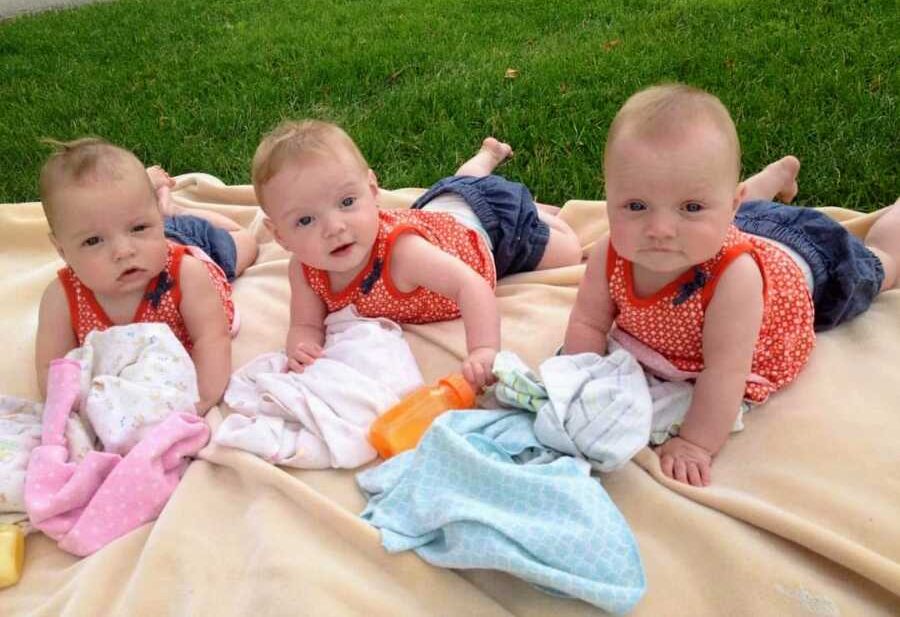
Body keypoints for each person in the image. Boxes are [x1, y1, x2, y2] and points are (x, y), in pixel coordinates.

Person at [563, 83, 900, 487]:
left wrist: (695, 443)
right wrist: (576, 384)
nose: (660, 229)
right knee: (725, 211)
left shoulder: (733, 280)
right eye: (636, 206)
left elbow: (724, 372)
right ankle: (774, 177)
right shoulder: (610, 253)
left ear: (731, 205)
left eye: (690, 207)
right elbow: (587, 323)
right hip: (742, 225)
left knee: (881, 265)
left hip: (814, 258)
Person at [252, 120, 583, 389]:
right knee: (459, 188)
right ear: (280, 235)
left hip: (490, 227)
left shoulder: (403, 253)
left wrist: (483, 350)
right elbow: (305, 323)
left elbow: (471, 287)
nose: (334, 227)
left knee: (570, 251)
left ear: (372, 191)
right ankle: (484, 158)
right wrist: (301, 348)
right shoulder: (305, 269)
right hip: (441, 211)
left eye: (347, 202)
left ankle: (534, 212)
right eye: (306, 220)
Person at [34, 138, 254, 414]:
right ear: (62, 250)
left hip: (188, 242)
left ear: (155, 223)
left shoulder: (187, 274)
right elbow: (52, 367)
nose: (124, 251)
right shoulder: (61, 298)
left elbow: (212, 338)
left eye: (138, 227)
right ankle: (153, 205)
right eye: (93, 241)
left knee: (245, 242)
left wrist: (201, 400)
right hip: (156, 236)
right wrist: (71, 411)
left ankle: (175, 211)